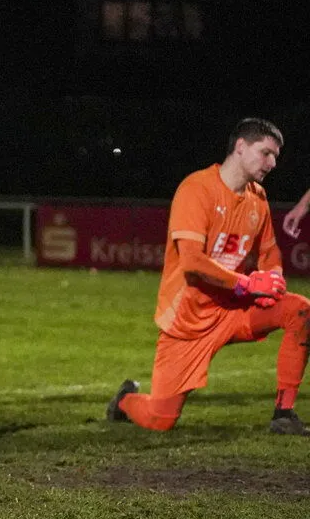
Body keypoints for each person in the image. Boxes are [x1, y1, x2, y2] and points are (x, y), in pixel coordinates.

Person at [108, 118, 310, 434]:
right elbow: (191, 262)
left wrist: (273, 278)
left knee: (301, 311)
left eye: (275, 157)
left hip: (234, 310)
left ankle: (284, 414)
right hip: (188, 320)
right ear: (240, 147)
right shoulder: (196, 189)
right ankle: (124, 401)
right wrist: (247, 282)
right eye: (266, 153)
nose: (272, 163)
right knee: (160, 420)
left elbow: (268, 252)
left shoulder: (258, 197)